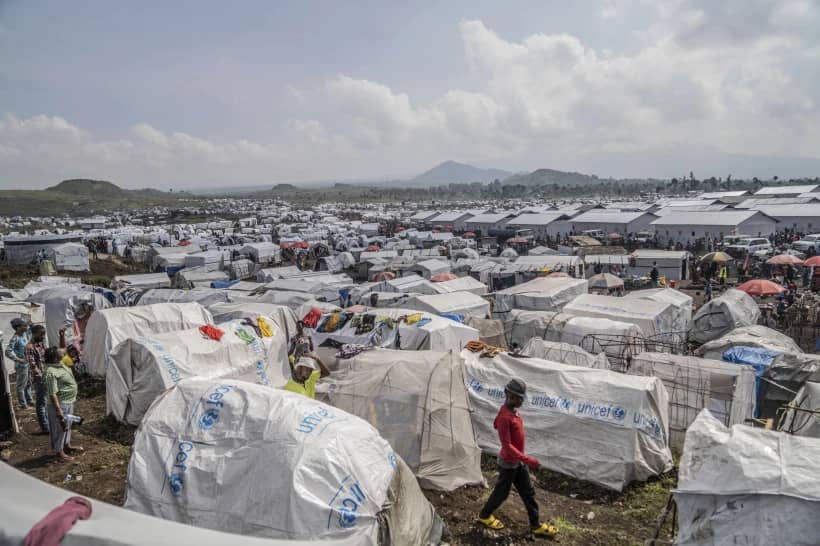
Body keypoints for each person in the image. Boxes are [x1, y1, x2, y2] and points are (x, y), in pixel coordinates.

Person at [478, 378, 558, 538]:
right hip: (509, 464)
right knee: (502, 493)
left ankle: (535, 525)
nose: (519, 401)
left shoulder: (514, 412)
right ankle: (484, 516)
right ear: (507, 394)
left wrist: (523, 460)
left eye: (521, 398)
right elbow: (507, 446)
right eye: (515, 397)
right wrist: (528, 460)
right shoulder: (504, 417)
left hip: (519, 462)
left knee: (528, 493)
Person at [44, 347, 82, 462]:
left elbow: (63, 347)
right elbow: (52, 393)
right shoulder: (50, 372)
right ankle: (59, 452)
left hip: (68, 401)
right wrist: (58, 410)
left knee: (68, 425)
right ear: (56, 357)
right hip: (60, 404)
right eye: (60, 352)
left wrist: (61, 336)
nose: (63, 352)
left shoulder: (60, 363)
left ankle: (67, 445)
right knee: (60, 428)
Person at [25, 325, 49, 434]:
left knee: (47, 402)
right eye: (41, 334)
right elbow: (33, 366)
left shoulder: (41, 345)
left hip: (46, 376)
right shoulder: (29, 347)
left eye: (44, 334)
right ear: (34, 334)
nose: (43, 336)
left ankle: (48, 424)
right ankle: (45, 428)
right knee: (41, 403)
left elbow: (45, 360)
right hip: (40, 380)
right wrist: (43, 378)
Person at [5, 318, 33, 409]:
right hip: (21, 366)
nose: (26, 327)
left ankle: (29, 400)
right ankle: (23, 404)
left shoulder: (24, 334)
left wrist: (30, 324)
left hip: (27, 364)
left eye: (25, 325)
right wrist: (18, 359)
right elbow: (8, 351)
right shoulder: (15, 338)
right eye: (23, 325)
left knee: (28, 383)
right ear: (18, 328)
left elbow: (30, 331)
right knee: (21, 386)